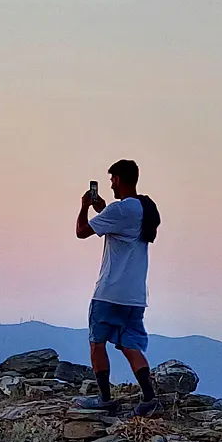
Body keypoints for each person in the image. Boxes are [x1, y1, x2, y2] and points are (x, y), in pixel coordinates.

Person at [75, 159, 163, 415]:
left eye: (113, 179)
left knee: (97, 342)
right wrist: (103, 210)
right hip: (135, 295)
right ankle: (148, 398)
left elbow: (81, 231)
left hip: (109, 292)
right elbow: (120, 223)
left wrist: (84, 207)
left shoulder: (120, 210)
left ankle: (104, 398)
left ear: (121, 179)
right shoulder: (144, 208)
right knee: (129, 344)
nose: (111, 184)